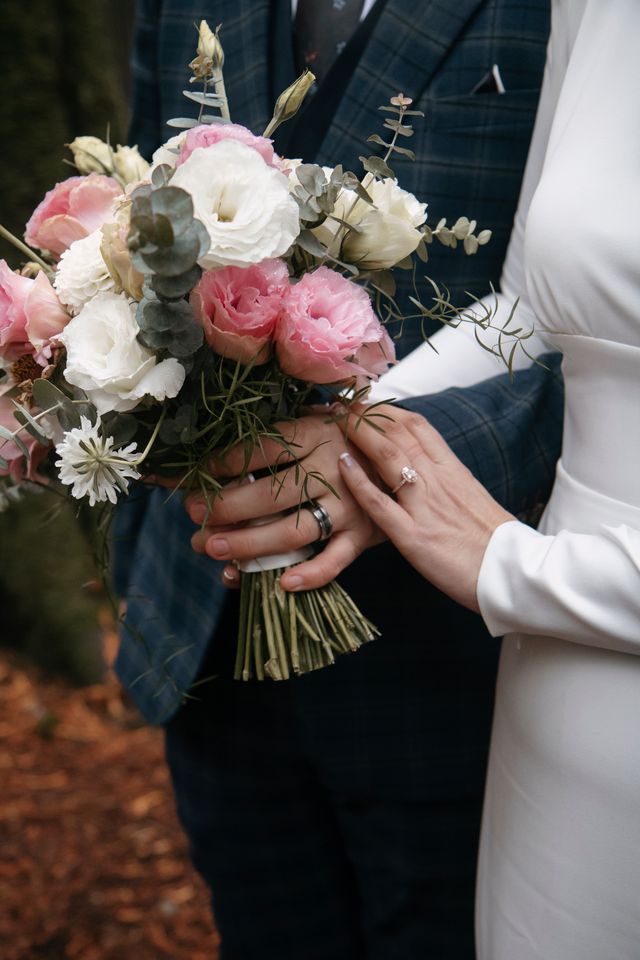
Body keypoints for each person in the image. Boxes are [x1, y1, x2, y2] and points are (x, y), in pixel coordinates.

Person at [114, 1, 560, 957]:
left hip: (450, 652)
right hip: (202, 621)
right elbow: (135, 220)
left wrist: (390, 453)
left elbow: (599, 329)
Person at [267, 2, 638, 956]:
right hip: (551, 693)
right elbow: (530, 306)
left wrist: (509, 568)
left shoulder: (509, 570)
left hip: (554, 595)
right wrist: (356, 448)